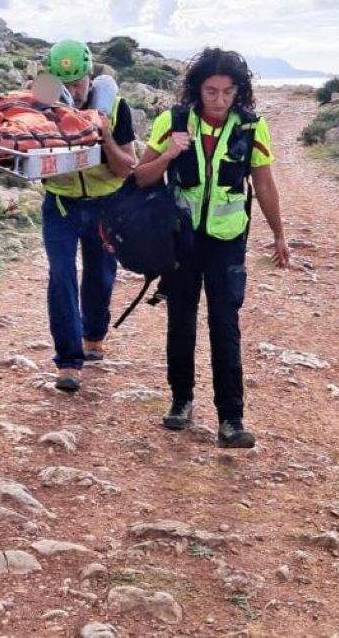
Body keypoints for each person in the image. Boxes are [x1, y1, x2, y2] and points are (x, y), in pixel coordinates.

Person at [132, 48, 290, 449]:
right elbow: (142, 178)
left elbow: (265, 185)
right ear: (197, 89)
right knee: (181, 321)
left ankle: (231, 419)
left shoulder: (253, 128)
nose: (219, 100)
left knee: (225, 325)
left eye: (227, 92)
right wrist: (169, 153)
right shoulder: (173, 122)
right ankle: (181, 401)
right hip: (181, 240)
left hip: (227, 242)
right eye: (211, 91)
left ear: (240, 92)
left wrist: (278, 233)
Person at [39, 40, 138, 393]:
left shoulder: (116, 108)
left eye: (79, 81)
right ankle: (68, 361)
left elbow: (127, 167)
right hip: (61, 205)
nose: (73, 90)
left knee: (100, 277)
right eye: (65, 82)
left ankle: (94, 334)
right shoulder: (44, 109)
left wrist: (105, 136)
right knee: (61, 276)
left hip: (104, 204)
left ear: (90, 77)